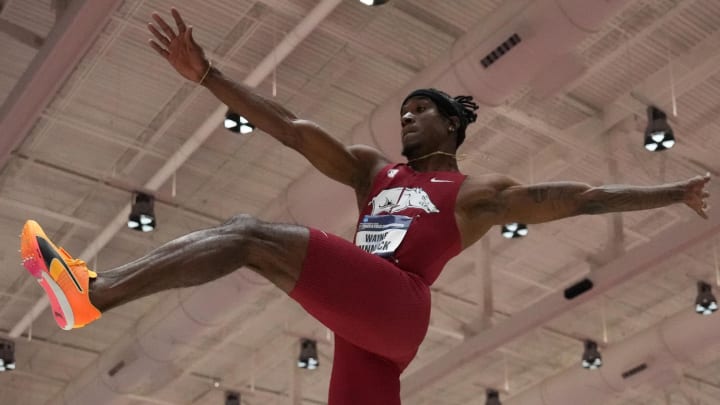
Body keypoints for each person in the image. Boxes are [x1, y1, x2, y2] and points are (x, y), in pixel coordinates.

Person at [20, 8, 711, 405]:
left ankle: (95, 292)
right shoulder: (370, 172)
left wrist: (671, 191)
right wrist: (210, 77)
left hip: (400, 305)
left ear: (450, 127)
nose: (406, 122)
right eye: (403, 113)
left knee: (247, 234)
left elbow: (581, 198)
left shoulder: (471, 195)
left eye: (420, 114)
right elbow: (288, 126)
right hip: (364, 329)